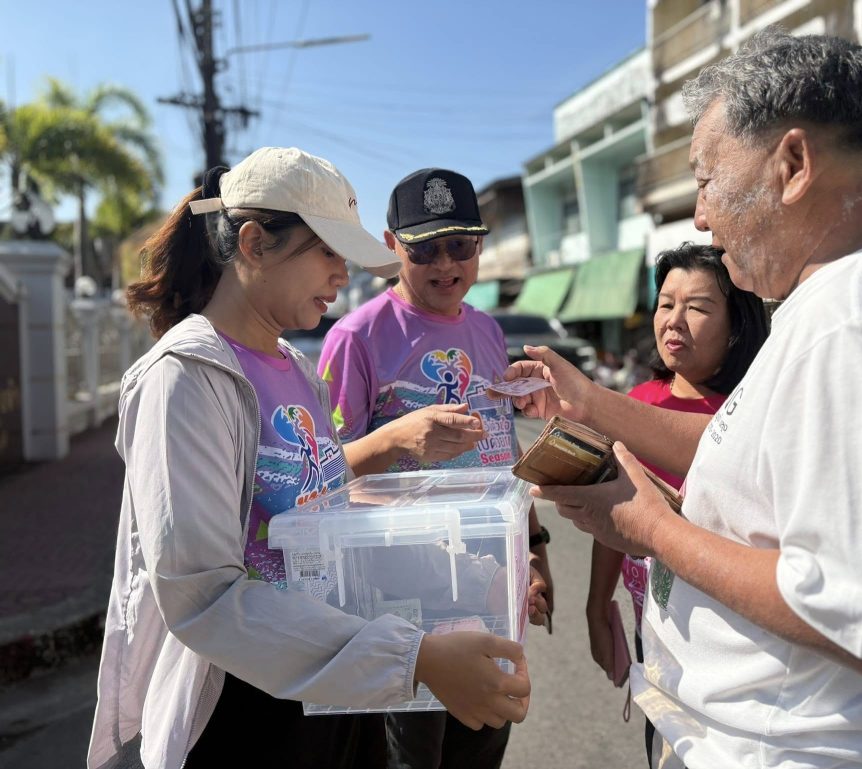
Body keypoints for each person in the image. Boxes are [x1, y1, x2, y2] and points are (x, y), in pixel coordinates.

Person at [507, 29, 862, 769]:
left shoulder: (860, 325)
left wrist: (655, 530)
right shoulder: (842, 300)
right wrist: (590, 404)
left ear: (792, 165)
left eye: (708, 179)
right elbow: (746, 452)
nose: (701, 216)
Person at [87, 148, 530, 769]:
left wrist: (473, 576)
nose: (342, 275)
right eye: (326, 251)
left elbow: (333, 521)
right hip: (247, 708)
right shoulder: (185, 377)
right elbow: (202, 595)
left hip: (334, 693)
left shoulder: (297, 370)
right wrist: (413, 658)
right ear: (254, 244)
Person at [317, 167, 552, 769]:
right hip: (404, 600)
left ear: (480, 246)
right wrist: (397, 440)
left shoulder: (488, 329)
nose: (446, 264)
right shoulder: (356, 337)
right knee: (411, 757)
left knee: (483, 744)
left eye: (461, 245)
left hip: (491, 587)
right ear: (392, 245)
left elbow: (502, 455)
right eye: (425, 249)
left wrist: (533, 553)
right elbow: (322, 480)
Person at [586, 242, 768, 763]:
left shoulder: (755, 412)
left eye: (698, 307)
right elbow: (615, 513)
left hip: (730, 648)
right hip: (653, 632)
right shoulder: (636, 404)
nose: (674, 320)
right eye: (666, 304)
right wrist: (597, 605)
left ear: (736, 324)